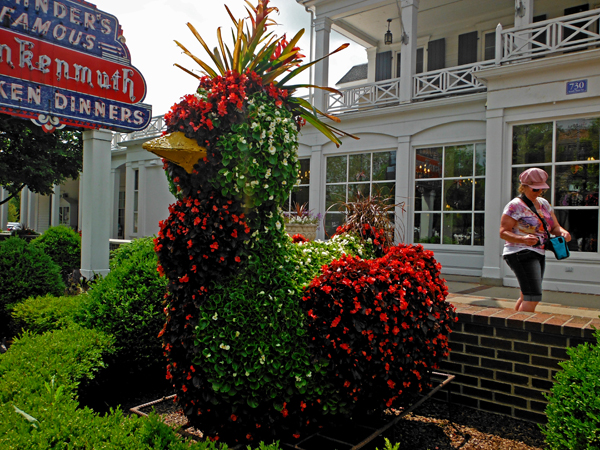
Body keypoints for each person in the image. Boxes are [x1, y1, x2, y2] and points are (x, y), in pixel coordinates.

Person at [499, 168, 571, 312]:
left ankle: (514, 327)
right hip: (520, 252)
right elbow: (503, 232)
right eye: (535, 189)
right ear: (524, 186)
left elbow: (554, 226)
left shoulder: (543, 203)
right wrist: (523, 239)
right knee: (533, 296)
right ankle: (524, 331)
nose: (538, 192)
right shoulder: (515, 205)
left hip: (538, 251)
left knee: (526, 296)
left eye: (541, 189)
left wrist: (563, 232)